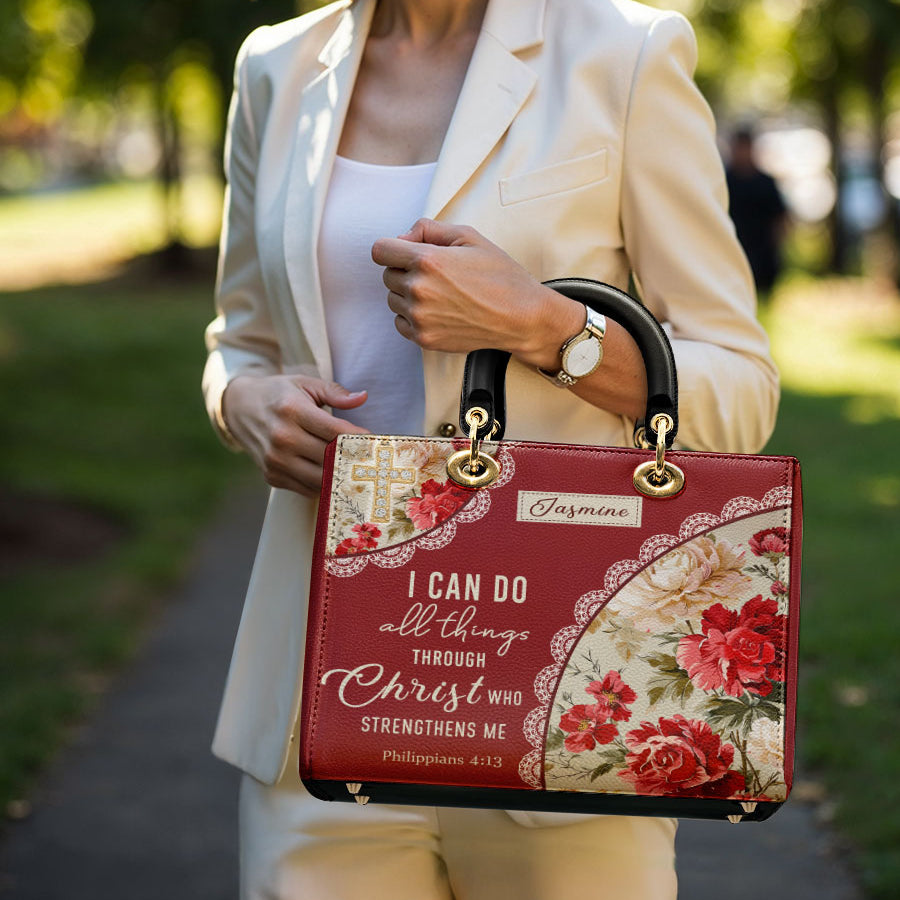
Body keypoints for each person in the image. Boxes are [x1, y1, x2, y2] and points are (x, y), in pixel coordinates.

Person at [202, 0, 779, 897]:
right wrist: (243, 403)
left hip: (564, 697)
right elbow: (239, 341)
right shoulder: (275, 64)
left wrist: (545, 327)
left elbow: (742, 387)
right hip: (320, 699)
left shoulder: (625, 51)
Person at [725, 127, 788, 297]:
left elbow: (780, 217)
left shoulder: (765, 182)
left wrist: (777, 244)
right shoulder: (724, 181)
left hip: (763, 252)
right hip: (733, 251)